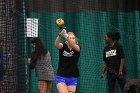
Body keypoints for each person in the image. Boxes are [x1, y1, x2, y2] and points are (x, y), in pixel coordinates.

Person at [55, 29, 80, 93]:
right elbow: (57, 44)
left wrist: (66, 35)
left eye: (73, 38)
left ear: (75, 40)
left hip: (72, 77)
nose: (72, 39)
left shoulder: (77, 47)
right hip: (61, 76)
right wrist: (60, 35)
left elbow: (74, 46)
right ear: (66, 40)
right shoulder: (63, 46)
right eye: (70, 38)